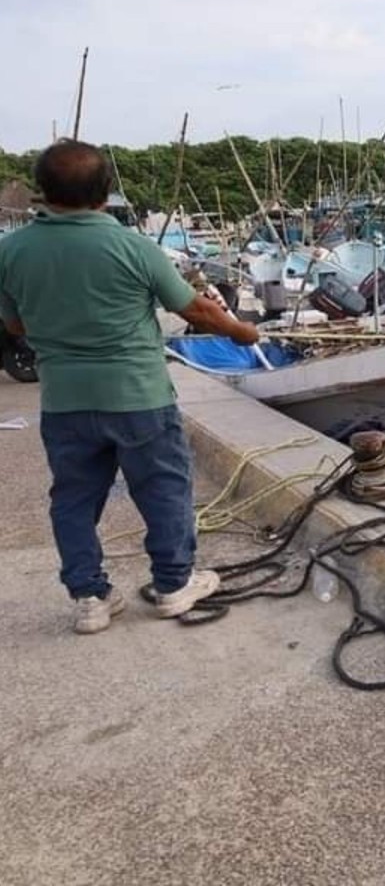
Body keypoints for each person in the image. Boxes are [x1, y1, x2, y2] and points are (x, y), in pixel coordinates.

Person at [0, 140, 261, 634]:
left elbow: (14, 327)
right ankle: (172, 585)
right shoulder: (134, 246)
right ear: (105, 194)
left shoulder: (10, 251)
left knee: (74, 500)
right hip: (139, 396)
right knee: (164, 489)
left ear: (43, 193)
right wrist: (244, 332)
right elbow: (196, 309)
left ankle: (90, 599)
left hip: (65, 402)